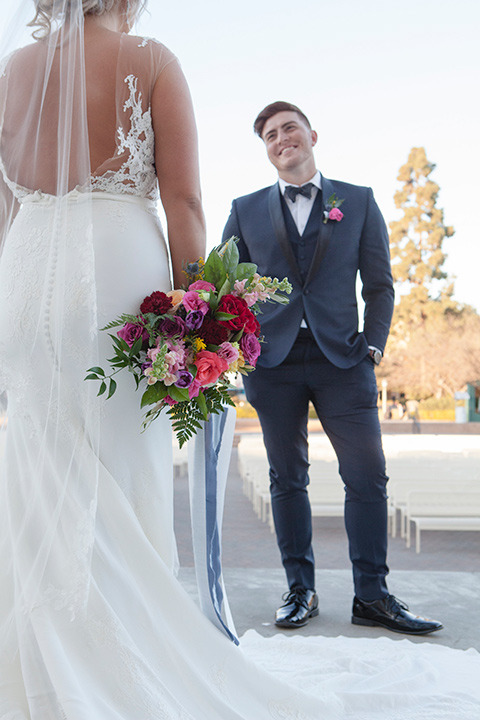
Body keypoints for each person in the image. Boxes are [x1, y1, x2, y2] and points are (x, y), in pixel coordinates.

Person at [1, 5, 479, 718]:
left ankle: (41, 653)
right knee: (123, 465)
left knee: (38, 454)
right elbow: (185, 197)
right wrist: (199, 328)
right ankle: (133, 652)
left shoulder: (12, 72)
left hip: (25, 277)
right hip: (114, 280)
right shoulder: (151, 58)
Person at [222, 101, 442, 634]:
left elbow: (380, 285)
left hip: (343, 358)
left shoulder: (358, 201)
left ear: (312, 135)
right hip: (272, 364)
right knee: (286, 477)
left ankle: (373, 596)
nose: (281, 138)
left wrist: (374, 346)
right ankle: (300, 590)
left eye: (289, 127)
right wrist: (242, 347)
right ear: (267, 149)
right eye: (270, 135)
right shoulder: (245, 208)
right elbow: (225, 285)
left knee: (367, 475)